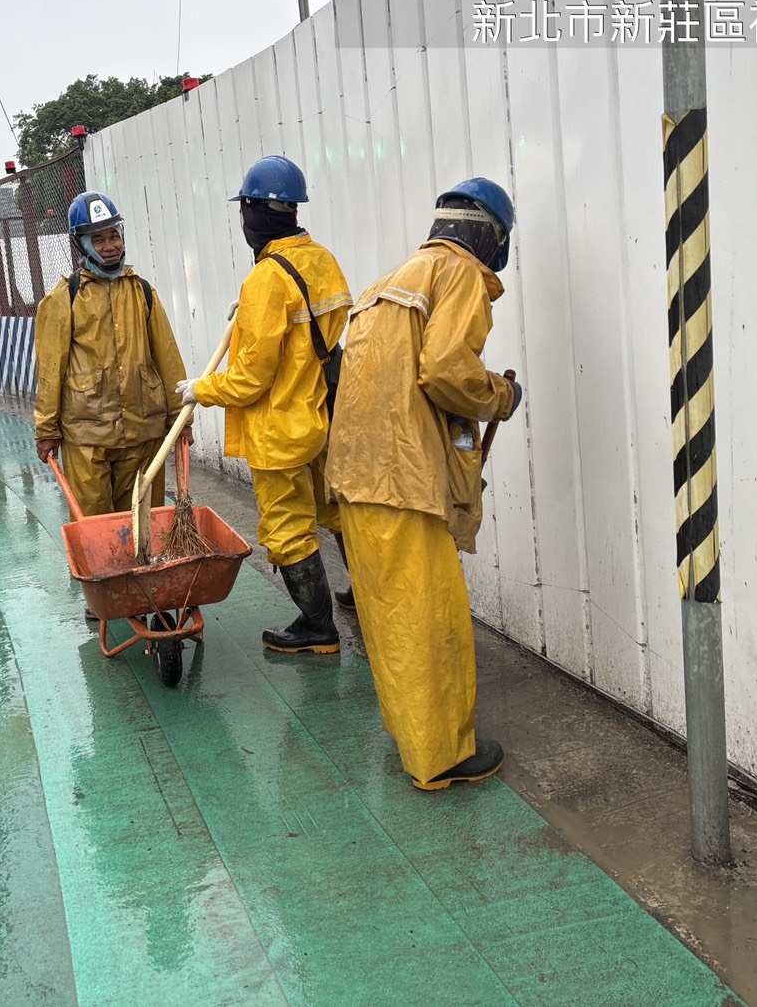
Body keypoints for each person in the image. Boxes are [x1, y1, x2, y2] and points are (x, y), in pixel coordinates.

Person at [325, 177, 523, 791]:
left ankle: (412, 736)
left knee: (389, 619)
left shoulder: (387, 282)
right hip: (407, 481)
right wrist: (501, 395)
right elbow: (445, 370)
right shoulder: (458, 273)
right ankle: (441, 757)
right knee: (431, 619)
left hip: (357, 477)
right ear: (491, 238)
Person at [179, 156, 352, 655]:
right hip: (321, 413)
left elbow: (250, 380)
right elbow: (317, 327)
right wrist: (252, 312)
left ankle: (317, 628)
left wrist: (201, 389)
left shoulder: (265, 279)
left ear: (252, 212)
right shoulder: (320, 259)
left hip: (280, 428)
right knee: (336, 510)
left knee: (287, 527)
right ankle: (368, 593)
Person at [34, 191, 188, 517]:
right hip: (87, 437)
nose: (109, 246)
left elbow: (168, 359)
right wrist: (46, 430)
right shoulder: (64, 298)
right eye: (98, 239)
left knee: (144, 523)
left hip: (143, 432)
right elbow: (50, 370)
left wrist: (181, 418)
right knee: (95, 527)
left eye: (114, 236)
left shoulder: (142, 291)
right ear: (80, 244)